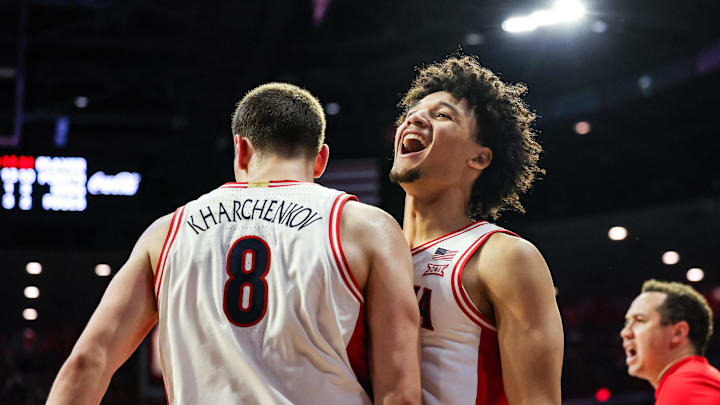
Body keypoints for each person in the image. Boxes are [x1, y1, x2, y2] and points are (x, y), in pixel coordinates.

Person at [47, 82, 422, 405]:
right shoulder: (367, 228)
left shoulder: (166, 233)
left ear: (240, 150)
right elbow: (400, 393)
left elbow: (87, 363)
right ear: (320, 159)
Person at [389, 55, 564, 405]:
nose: (415, 117)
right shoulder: (370, 250)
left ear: (480, 158)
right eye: (413, 112)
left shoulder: (503, 257)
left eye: (442, 115)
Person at [621, 279, 720, 404]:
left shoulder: (685, 384)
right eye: (627, 322)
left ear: (677, 333)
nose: (625, 332)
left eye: (639, 320)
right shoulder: (686, 380)